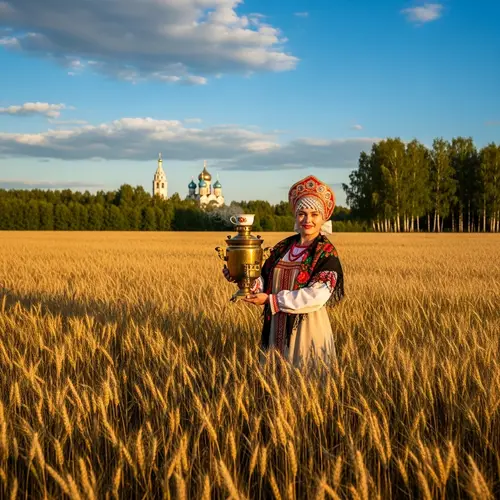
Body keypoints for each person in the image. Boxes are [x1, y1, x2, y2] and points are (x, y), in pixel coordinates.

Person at [223, 175, 344, 368]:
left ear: (323, 218)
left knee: (305, 385)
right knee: (274, 385)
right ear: (296, 216)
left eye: (314, 214)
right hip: (275, 328)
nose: (308, 220)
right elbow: (264, 278)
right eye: (302, 213)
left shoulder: (326, 252)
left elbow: (317, 296)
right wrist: (244, 279)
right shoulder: (283, 247)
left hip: (307, 330)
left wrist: (272, 301)